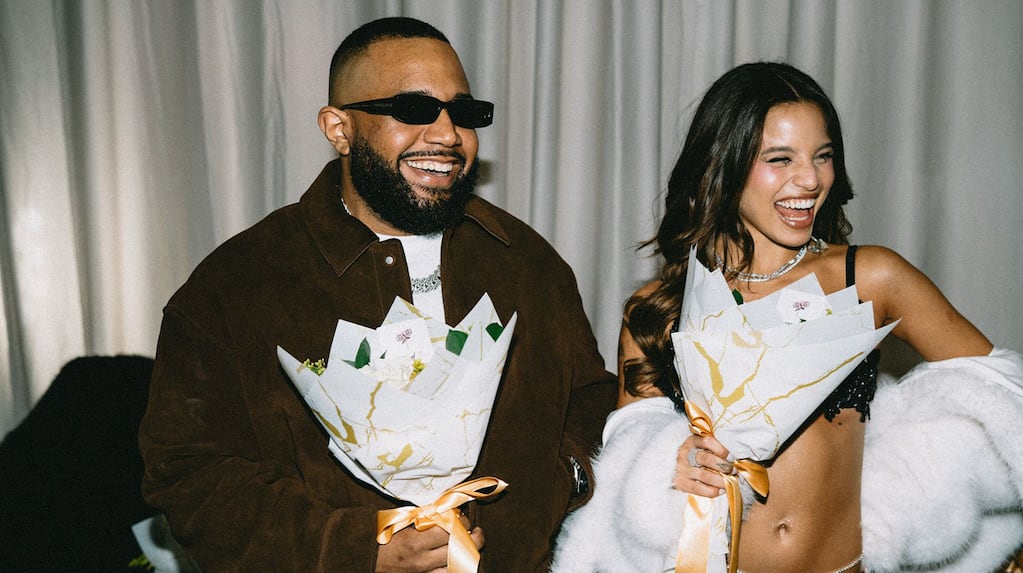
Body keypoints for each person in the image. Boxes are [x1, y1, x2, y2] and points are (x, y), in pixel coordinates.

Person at [139, 17, 616, 572]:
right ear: (338, 128)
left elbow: (589, 400)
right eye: (413, 109)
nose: (447, 134)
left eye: (463, 112)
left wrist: (562, 481)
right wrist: (358, 549)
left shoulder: (526, 262)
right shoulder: (239, 284)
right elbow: (190, 477)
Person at [550, 62, 1023, 572]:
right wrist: (669, 464)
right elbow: (627, 452)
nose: (811, 179)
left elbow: (999, 393)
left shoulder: (870, 278)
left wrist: (914, 486)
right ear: (722, 165)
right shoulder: (658, 308)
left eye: (823, 156)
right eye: (780, 159)